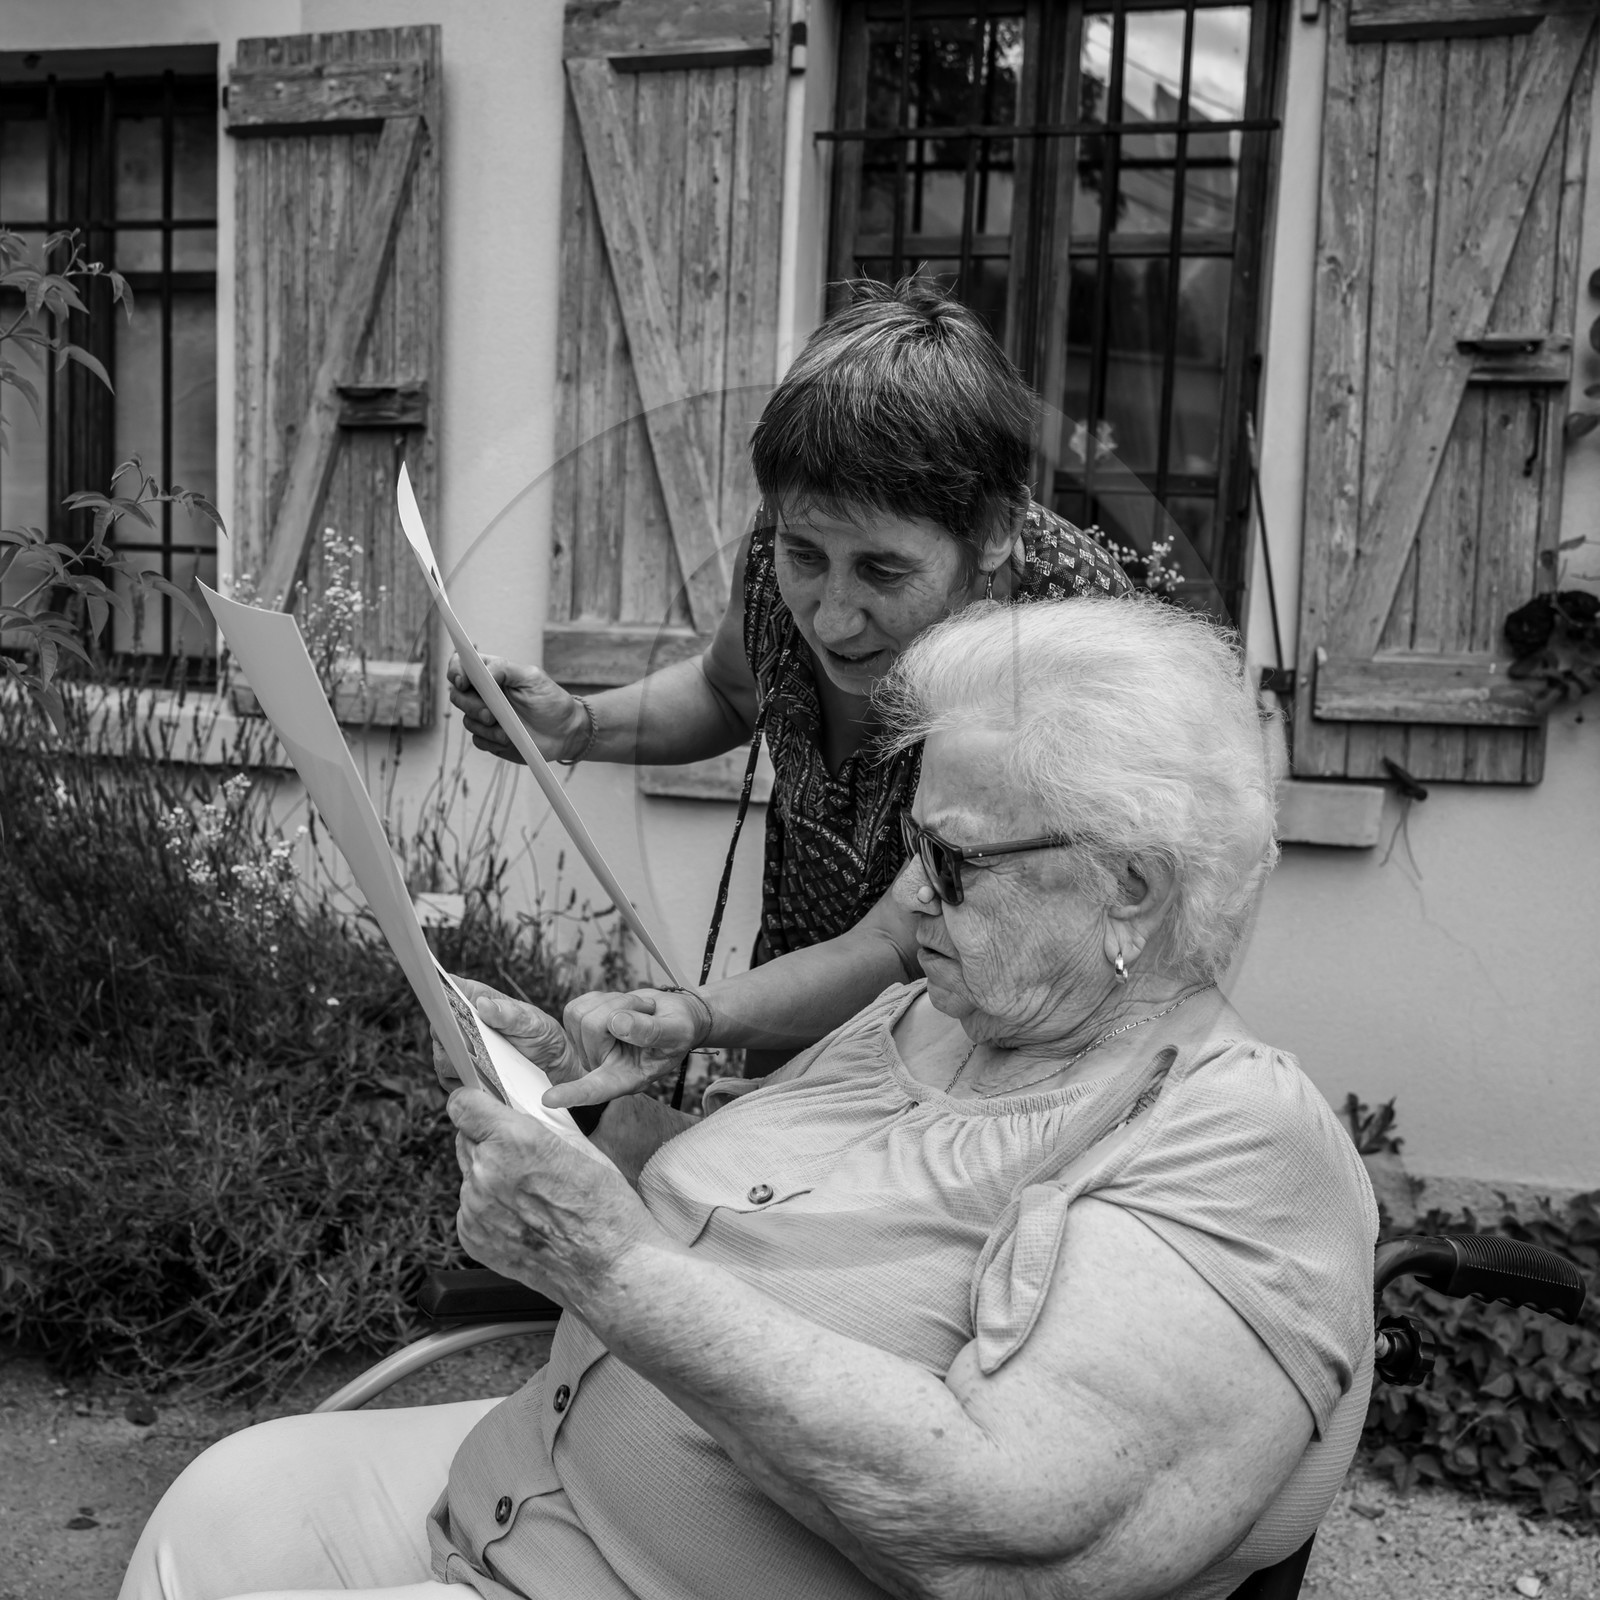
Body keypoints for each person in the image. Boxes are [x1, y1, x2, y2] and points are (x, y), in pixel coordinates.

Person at [121, 596, 1377, 1600]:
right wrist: (566, 1105)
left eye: (952, 860)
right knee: (217, 1515)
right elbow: (753, 1220)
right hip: (527, 1482)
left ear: (1133, 890)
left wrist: (607, 1269)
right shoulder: (933, 1014)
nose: (910, 897)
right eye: (911, 845)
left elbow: (1012, 1532)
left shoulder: (1234, 1143)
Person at [450, 278, 1132, 1079]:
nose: (832, 620)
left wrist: (698, 1014)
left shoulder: (1069, 635)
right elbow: (728, 691)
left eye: (882, 571)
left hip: (970, 1039)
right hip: (795, 968)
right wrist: (578, 727)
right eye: (804, 556)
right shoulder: (792, 531)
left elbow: (899, 940)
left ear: (992, 531)